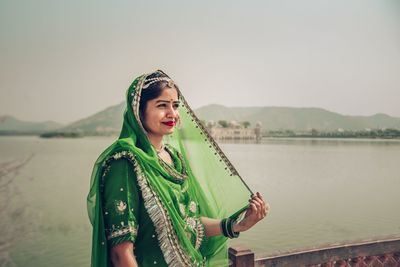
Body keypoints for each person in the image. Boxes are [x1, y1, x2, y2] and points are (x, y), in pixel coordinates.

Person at [87, 70, 270, 267]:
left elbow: (190, 223)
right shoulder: (124, 164)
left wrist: (237, 225)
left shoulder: (175, 159)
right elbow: (121, 254)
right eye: (162, 105)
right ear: (138, 111)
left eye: (175, 105)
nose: (172, 114)